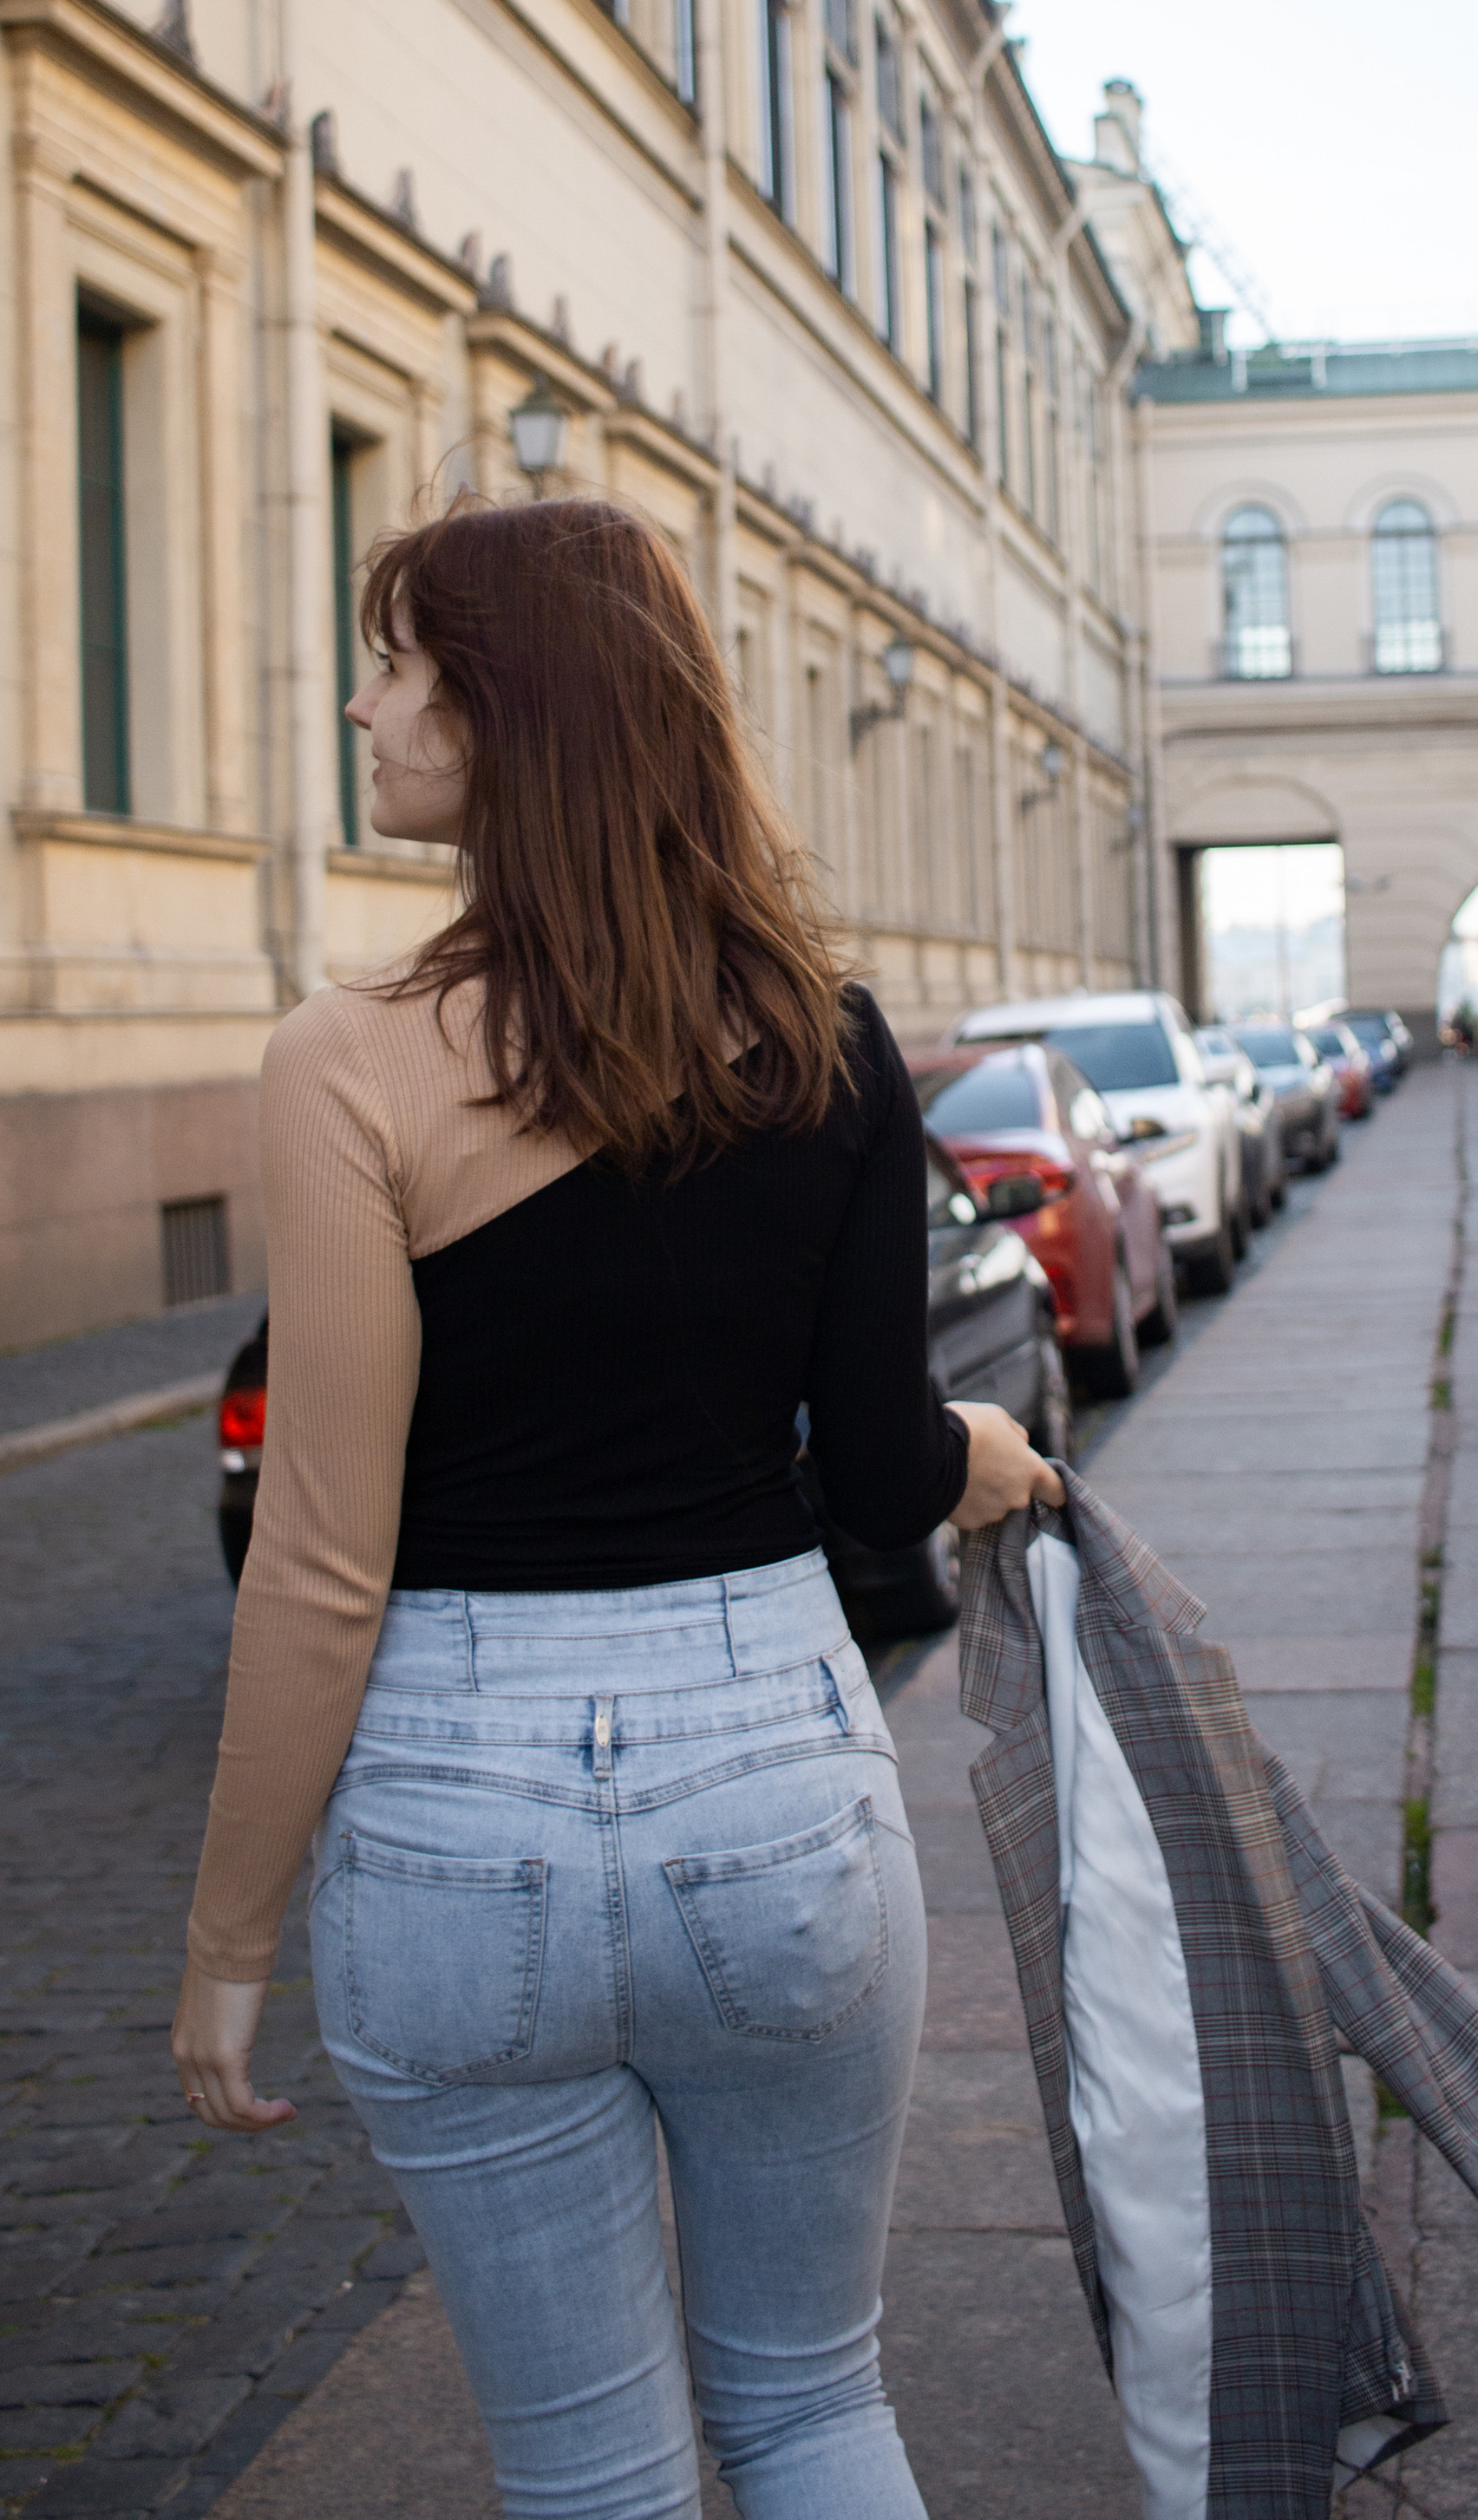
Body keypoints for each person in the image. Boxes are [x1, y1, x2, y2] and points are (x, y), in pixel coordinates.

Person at [172, 494, 1060, 2520]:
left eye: (400, 665)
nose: (362, 705)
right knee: (817, 2402)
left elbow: (323, 1557)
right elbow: (879, 1457)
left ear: (513, 712)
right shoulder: (820, 1034)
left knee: (590, 2471)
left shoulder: (345, 1062)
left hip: (456, 1799)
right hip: (769, 1765)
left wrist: (230, 1937)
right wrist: (986, 1460)